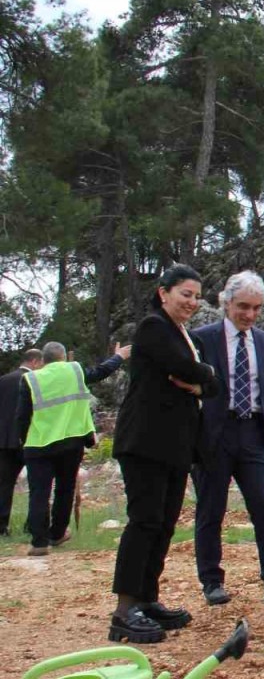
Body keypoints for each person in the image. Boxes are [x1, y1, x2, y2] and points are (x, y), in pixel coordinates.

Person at [111, 264, 221, 644]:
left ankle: (147, 599)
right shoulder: (153, 327)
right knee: (144, 521)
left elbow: (212, 384)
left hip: (176, 446)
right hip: (145, 442)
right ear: (163, 293)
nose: (192, 302)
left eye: (196, 296)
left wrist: (200, 381)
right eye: (185, 294)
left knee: (164, 523)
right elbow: (184, 368)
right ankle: (125, 610)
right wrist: (203, 374)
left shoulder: (184, 335)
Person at [191, 271, 264, 606]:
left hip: (254, 433)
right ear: (227, 302)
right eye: (243, 306)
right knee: (211, 509)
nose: (248, 314)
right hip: (213, 435)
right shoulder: (202, 338)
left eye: (256, 308)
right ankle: (211, 581)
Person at [16, 341, 130, 556]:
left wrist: (24, 440)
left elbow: (22, 416)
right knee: (65, 489)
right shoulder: (75, 370)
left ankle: (39, 542)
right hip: (71, 441)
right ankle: (57, 533)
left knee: (39, 493)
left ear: (43, 360)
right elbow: (100, 372)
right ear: (62, 356)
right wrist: (119, 356)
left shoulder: (30, 378)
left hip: (38, 443)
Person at [0, 348, 43, 537]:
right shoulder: (36, 381)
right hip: (29, 439)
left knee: (4, 484)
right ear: (35, 362)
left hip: (4, 440)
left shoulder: (4, 380)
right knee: (37, 484)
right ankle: (32, 526)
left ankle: (2, 527)